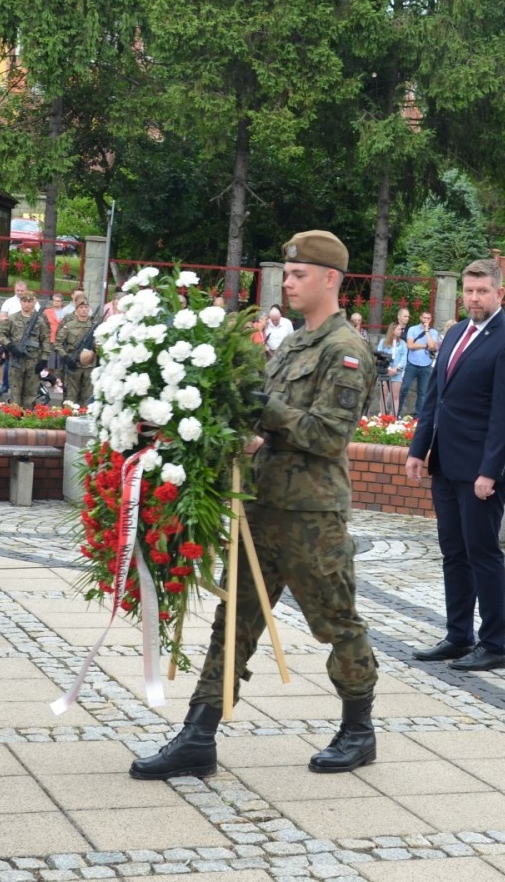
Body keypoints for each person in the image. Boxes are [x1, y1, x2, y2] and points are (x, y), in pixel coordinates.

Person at [131, 230, 379, 780]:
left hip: (311, 516)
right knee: (234, 620)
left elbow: (327, 436)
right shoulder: (290, 344)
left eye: (298, 275)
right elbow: (261, 423)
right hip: (261, 506)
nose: (287, 282)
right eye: (286, 274)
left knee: (336, 623)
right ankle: (198, 735)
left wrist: (266, 413)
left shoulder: (346, 351)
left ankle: (359, 729)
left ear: (331, 280)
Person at [406, 259, 505, 673]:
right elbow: (435, 398)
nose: (474, 298)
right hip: (445, 461)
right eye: (469, 290)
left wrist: (489, 471)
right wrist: (417, 449)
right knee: (453, 552)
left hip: (481, 469)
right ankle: (458, 635)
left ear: (500, 294)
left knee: (483, 553)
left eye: (482, 291)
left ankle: (494, 643)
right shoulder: (457, 332)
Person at [0, 289, 49, 407]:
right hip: (16, 360)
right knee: (15, 391)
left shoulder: (39, 320)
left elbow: (45, 339)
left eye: (30, 301)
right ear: (20, 302)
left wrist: (44, 359)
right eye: (24, 301)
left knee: (31, 392)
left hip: (33, 360)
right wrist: (10, 346)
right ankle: (15, 415)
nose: (27, 304)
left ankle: (28, 418)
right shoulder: (13, 318)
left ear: (33, 302)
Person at [55, 296, 96, 408]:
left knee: (87, 398)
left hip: (89, 366)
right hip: (73, 365)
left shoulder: (94, 326)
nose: (84, 309)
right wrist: (66, 358)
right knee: (70, 398)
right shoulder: (69, 326)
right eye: (81, 307)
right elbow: (57, 344)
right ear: (76, 309)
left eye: (86, 307)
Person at [399, 310, 440, 417]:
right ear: (420, 318)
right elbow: (410, 345)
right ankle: (397, 413)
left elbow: (432, 346)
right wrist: (425, 345)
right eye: (424, 318)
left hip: (426, 365)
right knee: (404, 389)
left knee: (423, 393)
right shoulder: (413, 329)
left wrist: (427, 331)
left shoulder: (433, 332)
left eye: (428, 318)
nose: (426, 320)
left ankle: (417, 417)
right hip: (412, 364)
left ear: (431, 320)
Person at [375, 322, 406, 416]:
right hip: (385, 372)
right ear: (393, 331)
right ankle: (383, 416)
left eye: (401, 329)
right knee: (383, 395)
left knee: (395, 396)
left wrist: (396, 369)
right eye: (399, 329)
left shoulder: (402, 343)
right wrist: (388, 369)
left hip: (396, 373)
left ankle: (394, 417)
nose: (401, 331)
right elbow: (379, 356)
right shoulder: (383, 342)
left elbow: (404, 358)